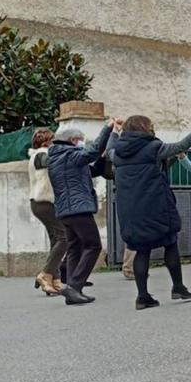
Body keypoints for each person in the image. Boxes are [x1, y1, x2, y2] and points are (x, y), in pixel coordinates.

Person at [110, 116, 191, 309]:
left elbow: (109, 149)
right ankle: (178, 287)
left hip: (130, 209)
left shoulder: (118, 153)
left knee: (141, 250)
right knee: (170, 244)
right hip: (156, 205)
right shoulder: (153, 147)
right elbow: (181, 145)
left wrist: (114, 130)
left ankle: (142, 296)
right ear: (145, 128)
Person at [48, 119, 116, 305]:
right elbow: (92, 152)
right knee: (93, 245)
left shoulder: (59, 156)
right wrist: (108, 128)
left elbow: (92, 170)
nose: (82, 143)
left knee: (75, 247)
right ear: (72, 140)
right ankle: (74, 287)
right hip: (78, 209)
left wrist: (102, 158)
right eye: (80, 140)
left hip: (66, 210)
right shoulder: (69, 155)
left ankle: (72, 287)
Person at [28, 128, 67, 296]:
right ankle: (45, 275)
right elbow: (46, 161)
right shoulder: (41, 154)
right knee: (65, 237)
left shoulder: (37, 154)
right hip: (45, 201)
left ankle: (55, 280)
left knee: (56, 239)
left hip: (39, 202)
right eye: (53, 140)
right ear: (46, 142)